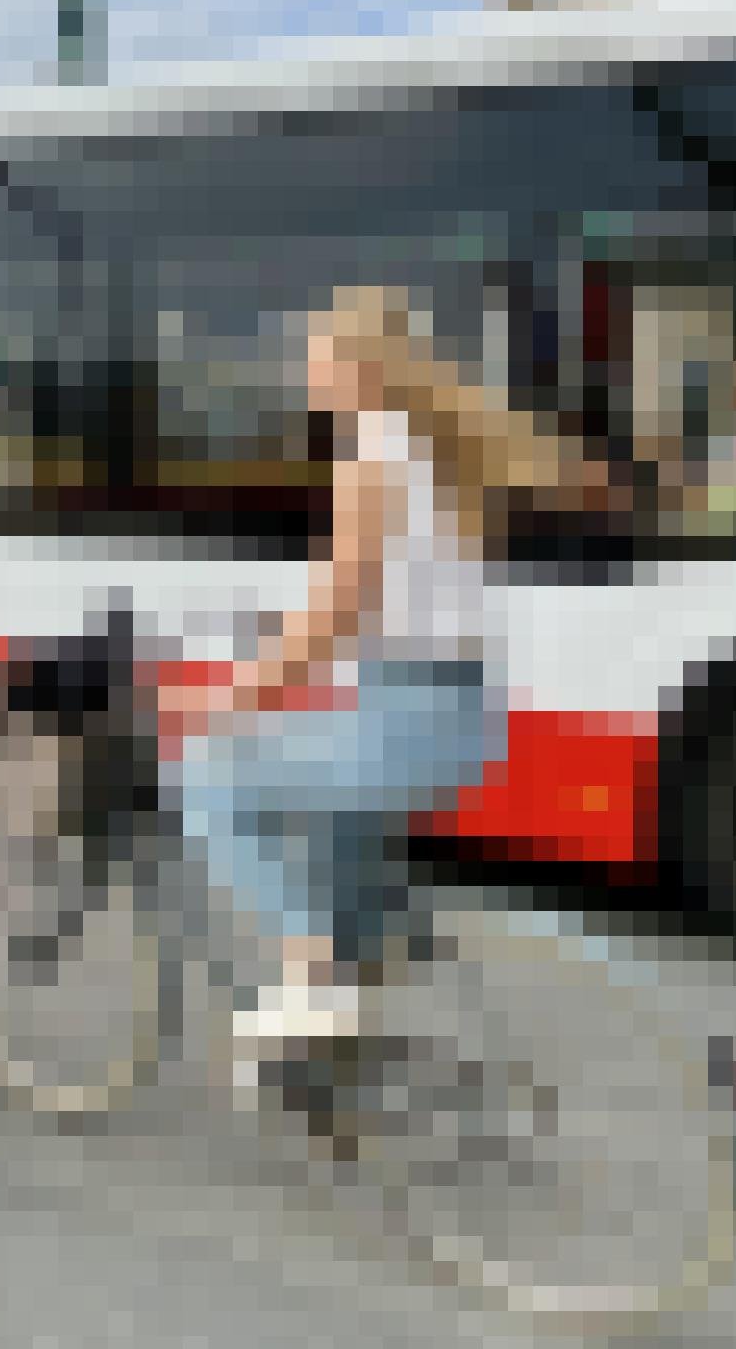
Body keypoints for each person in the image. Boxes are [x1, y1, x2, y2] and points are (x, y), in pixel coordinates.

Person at [163, 285, 602, 1082]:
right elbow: (392, 602)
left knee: (203, 773)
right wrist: (277, 666)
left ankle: (313, 977)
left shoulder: (371, 459)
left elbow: (339, 602)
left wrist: (236, 694)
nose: (303, 374)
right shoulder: (437, 454)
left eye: (313, 355)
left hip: (404, 717)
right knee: (328, 823)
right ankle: (363, 980)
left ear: (355, 366)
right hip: (455, 714)